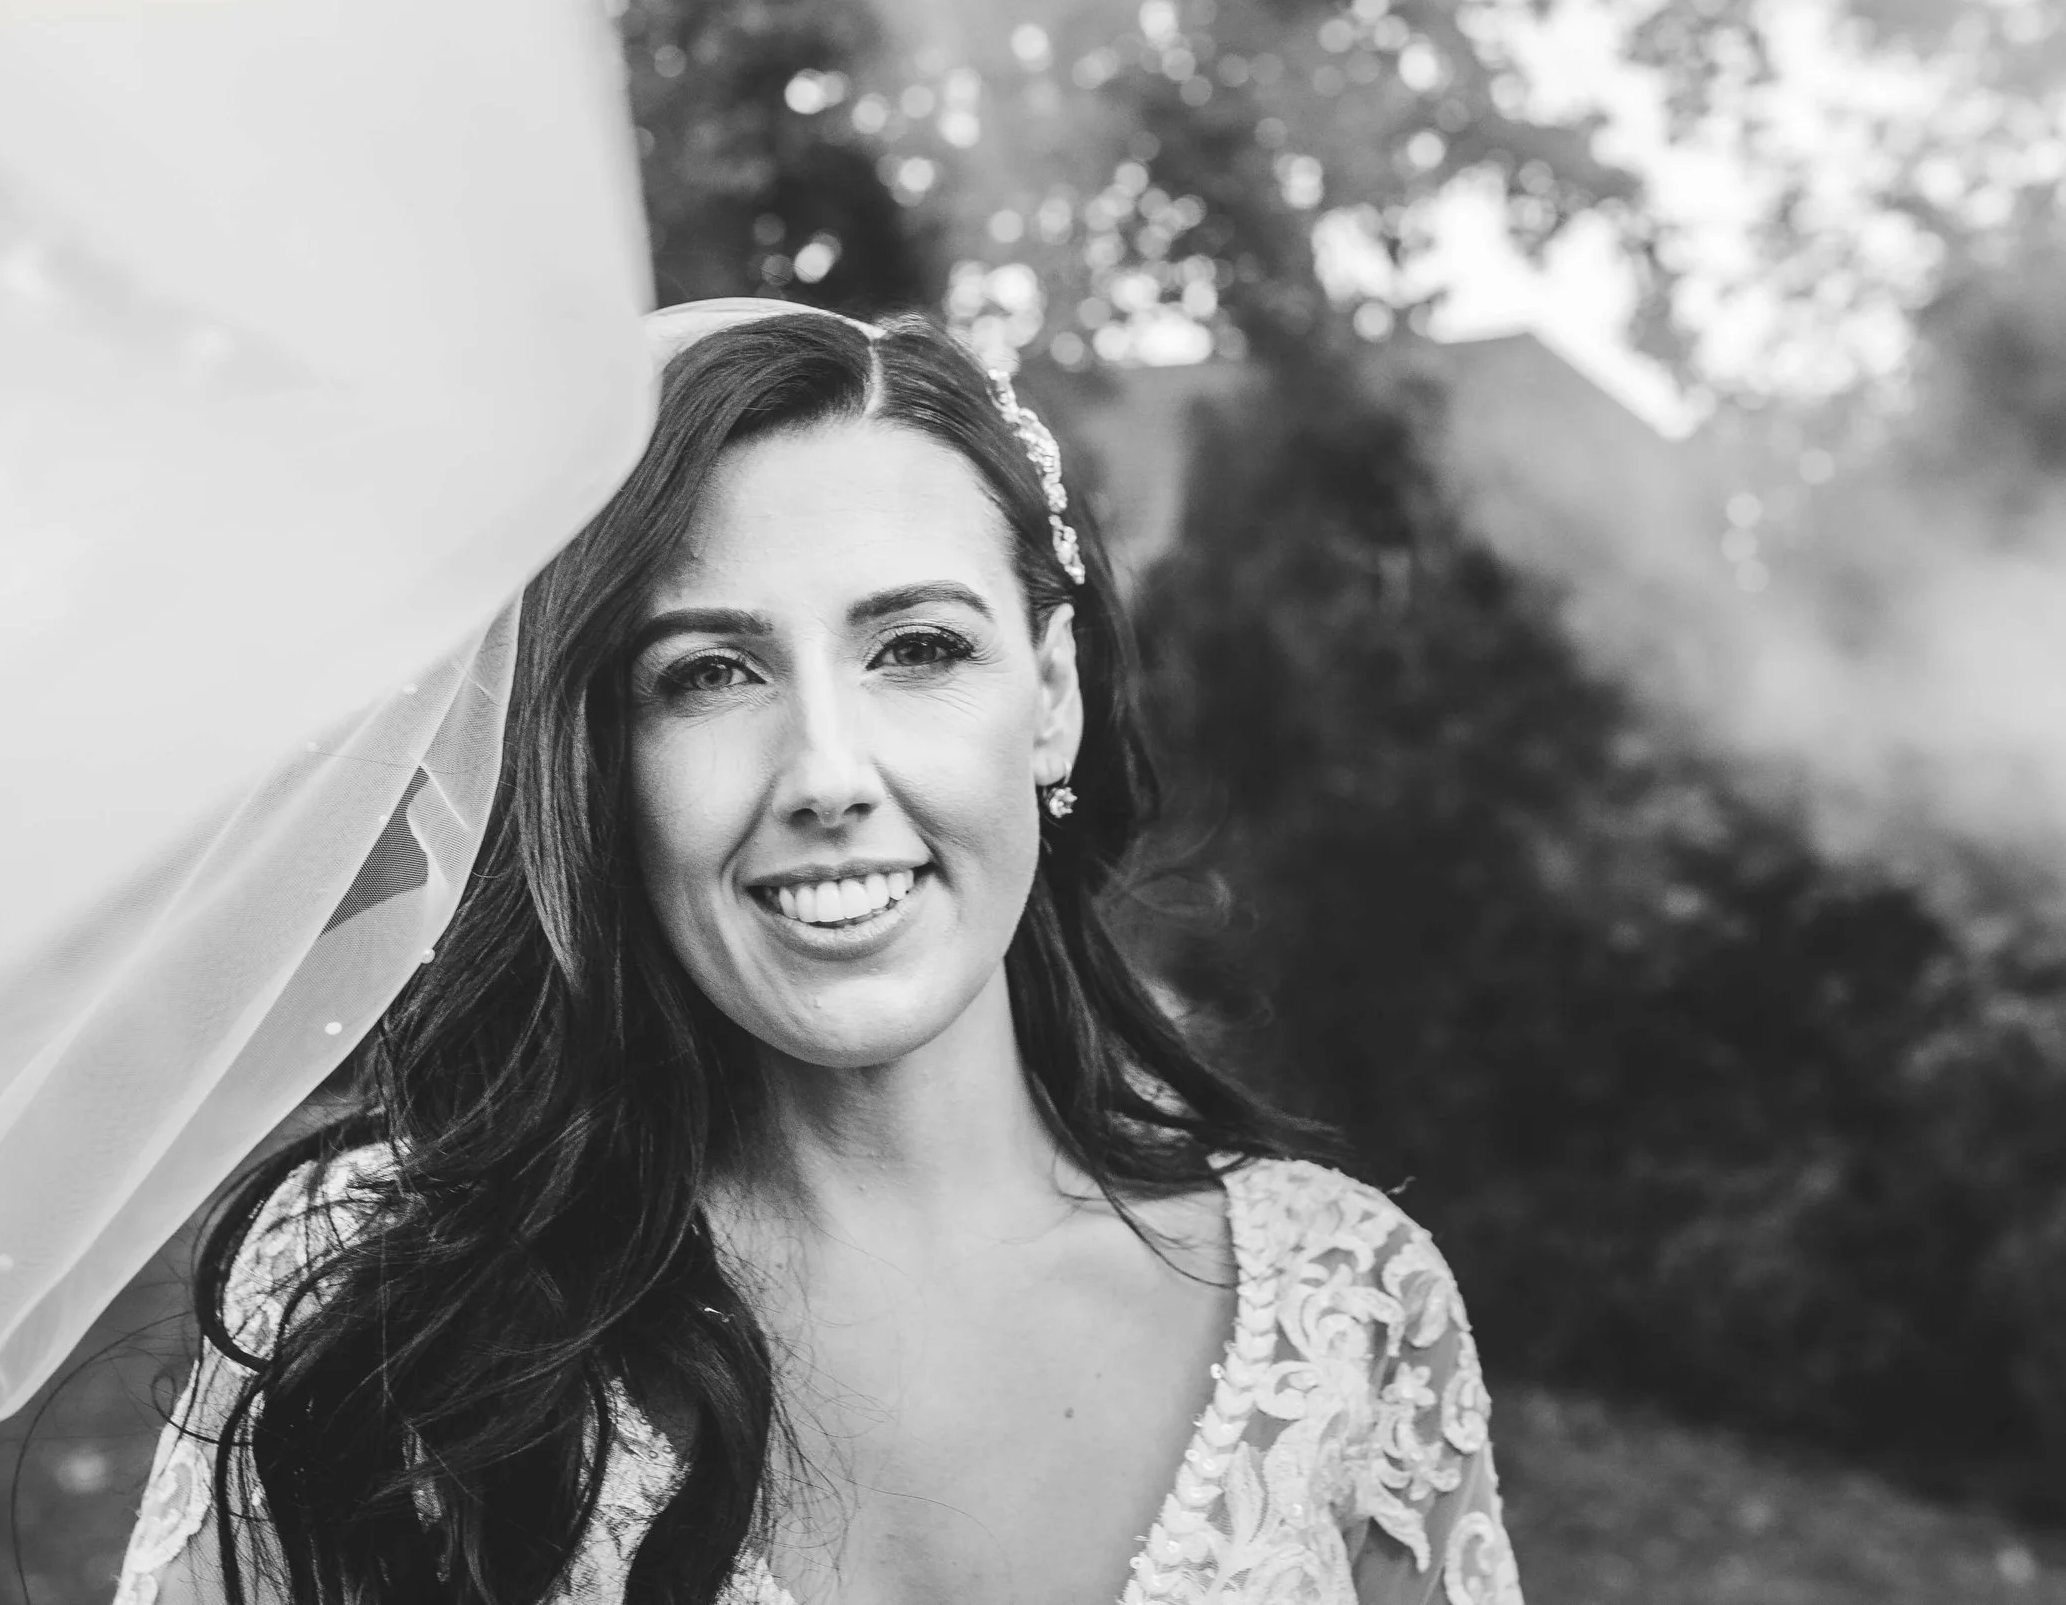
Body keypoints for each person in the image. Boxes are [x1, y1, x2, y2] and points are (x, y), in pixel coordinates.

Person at [115, 301, 1523, 1605]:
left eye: (915, 647)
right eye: (711, 673)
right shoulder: (385, 1292)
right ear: (606, 757)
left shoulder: (1351, 1307)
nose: (826, 772)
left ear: (1052, 700)